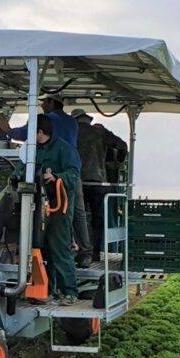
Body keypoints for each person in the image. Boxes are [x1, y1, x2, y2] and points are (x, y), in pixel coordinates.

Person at [0, 94, 88, 265]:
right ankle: (84, 252)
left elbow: (25, 133)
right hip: (71, 175)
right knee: (78, 213)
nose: (42, 105)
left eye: (44, 102)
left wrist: (8, 130)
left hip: (52, 180)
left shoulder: (48, 121)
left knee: (47, 218)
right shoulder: (72, 122)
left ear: (52, 102)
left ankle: (45, 251)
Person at [29, 118, 80, 304]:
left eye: (32, 131)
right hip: (38, 205)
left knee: (59, 248)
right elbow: (21, 167)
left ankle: (70, 292)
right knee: (41, 249)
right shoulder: (33, 149)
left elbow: (74, 174)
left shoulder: (64, 149)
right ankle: (46, 290)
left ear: (40, 132)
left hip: (58, 206)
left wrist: (56, 177)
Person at [72, 109, 108, 263]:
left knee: (77, 217)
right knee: (97, 219)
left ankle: (81, 251)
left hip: (79, 180)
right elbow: (122, 146)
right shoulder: (100, 132)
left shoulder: (73, 132)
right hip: (98, 181)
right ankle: (96, 253)